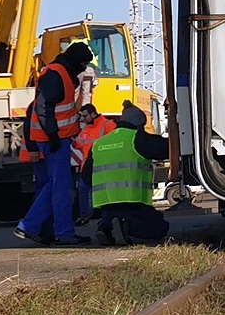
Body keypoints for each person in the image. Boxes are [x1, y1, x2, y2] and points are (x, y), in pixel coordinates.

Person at [14, 42, 95, 246]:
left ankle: (36, 227)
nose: (84, 68)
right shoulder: (56, 74)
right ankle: (57, 231)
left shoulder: (59, 73)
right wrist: (53, 136)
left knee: (54, 186)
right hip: (53, 141)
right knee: (62, 189)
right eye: (83, 64)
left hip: (55, 139)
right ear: (75, 61)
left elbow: (54, 109)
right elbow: (42, 108)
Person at [92, 101, 170, 246]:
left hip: (105, 202)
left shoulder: (99, 143)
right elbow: (165, 149)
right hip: (133, 200)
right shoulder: (137, 138)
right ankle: (125, 227)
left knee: (111, 213)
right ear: (139, 124)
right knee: (160, 228)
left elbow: (85, 176)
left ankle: (106, 225)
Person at [71, 104, 117, 225]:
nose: (83, 119)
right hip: (87, 165)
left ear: (93, 114)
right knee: (83, 190)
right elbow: (80, 143)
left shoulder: (107, 125)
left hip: (101, 165)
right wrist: (74, 143)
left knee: (99, 191)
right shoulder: (87, 128)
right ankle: (85, 216)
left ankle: (104, 216)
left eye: (85, 116)